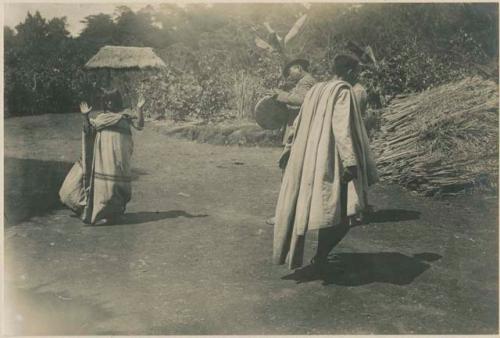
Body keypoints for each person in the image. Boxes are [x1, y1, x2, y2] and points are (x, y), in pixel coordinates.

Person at [272, 53, 379, 270]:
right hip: (330, 158)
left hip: (309, 156)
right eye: (356, 71)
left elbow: (300, 121)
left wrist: (291, 148)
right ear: (349, 71)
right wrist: (350, 162)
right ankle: (320, 258)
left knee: (321, 205)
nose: (357, 75)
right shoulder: (342, 91)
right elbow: (342, 129)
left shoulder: (316, 89)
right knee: (345, 211)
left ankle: (311, 256)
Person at [59, 88, 145, 225]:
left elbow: (140, 125)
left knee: (116, 187)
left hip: (120, 158)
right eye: (107, 100)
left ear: (117, 101)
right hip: (103, 160)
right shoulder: (101, 118)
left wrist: (140, 108)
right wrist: (85, 116)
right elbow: (88, 130)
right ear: (105, 102)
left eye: (112, 100)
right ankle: (97, 212)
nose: (110, 103)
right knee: (105, 187)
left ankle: (114, 214)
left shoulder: (125, 116)